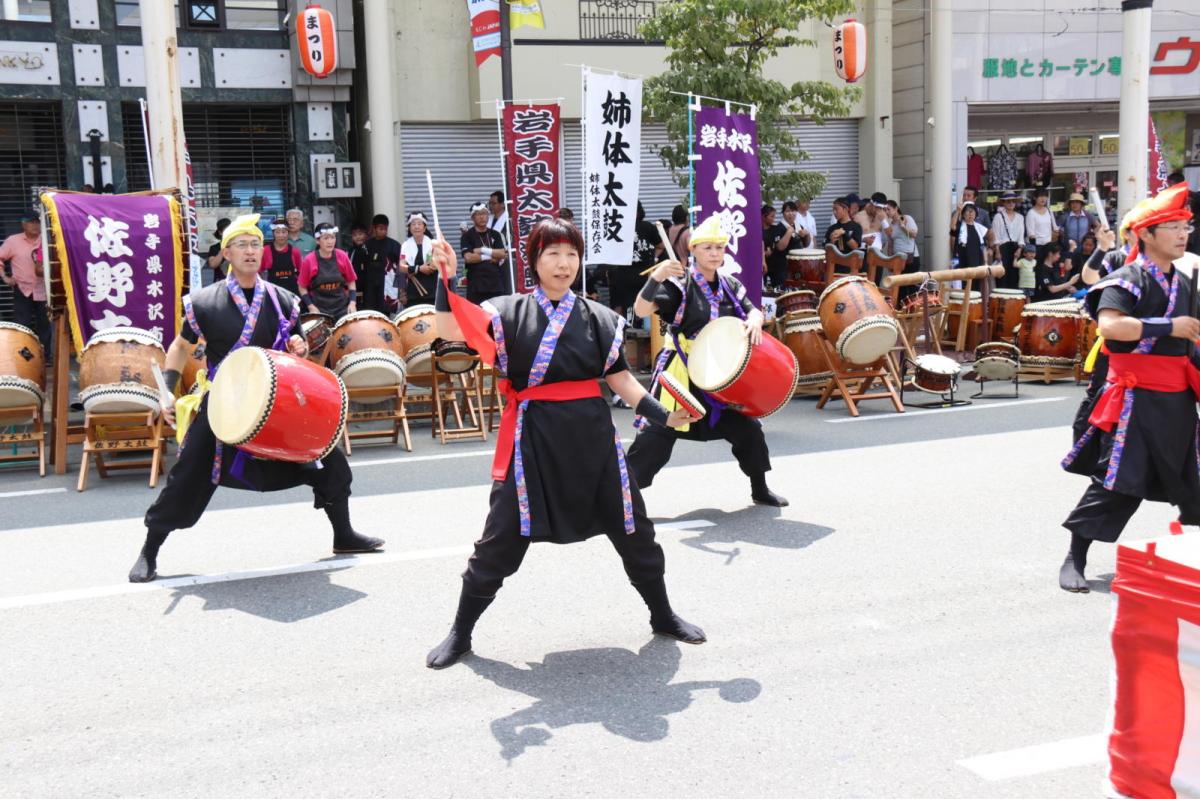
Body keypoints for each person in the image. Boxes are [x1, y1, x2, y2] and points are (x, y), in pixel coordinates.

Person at [424, 217, 705, 669]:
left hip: (594, 442)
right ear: (534, 260)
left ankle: (663, 614)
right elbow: (448, 329)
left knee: (635, 530)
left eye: (571, 254)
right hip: (531, 441)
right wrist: (446, 277)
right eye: (552, 254)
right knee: (499, 541)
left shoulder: (600, 318)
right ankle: (461, 631)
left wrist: (664, 414)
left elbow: (622, 380)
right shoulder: (504, 312)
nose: (563, 264)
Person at [127, 214, 383, 583]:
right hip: (224, 404)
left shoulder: (283, 300)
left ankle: (343, 535)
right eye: (242, 245)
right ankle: (149, 551)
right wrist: (167, 390)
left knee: (329, 460)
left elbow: (299, 357)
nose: (250, 251)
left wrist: (300, 347)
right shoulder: (204, 302)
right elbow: (181, 347)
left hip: (275, 402)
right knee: (186, 478)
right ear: (227, 252)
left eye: (255, 245)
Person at [1058, 183, 1200, 593]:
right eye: (1172, 227)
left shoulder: (1187, 283)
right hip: (1134, 402)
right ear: (1147, 235)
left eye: (1184, 227)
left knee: (1194, 480)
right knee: (1120, 484)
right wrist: (1167, 326)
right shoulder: (1129, 278)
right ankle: (1075, 556)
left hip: (1178, 401)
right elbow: (1110, 326)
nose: (1181, 235)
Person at [625, 213, 787, 508]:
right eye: (707, 248)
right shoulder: (679, 285)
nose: (714, 253)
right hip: (682, 372)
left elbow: (753, 309)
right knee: (655, 438)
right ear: (693, 251)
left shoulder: (730, 286)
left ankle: (760, 488)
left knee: (748, 430)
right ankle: (623, 497)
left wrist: (753, 319)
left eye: (719, 248)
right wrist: (657, 276)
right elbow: (641, 309)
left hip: (719, 374)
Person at [0, 212, 51, 355]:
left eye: (37, 222)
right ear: (23, 224)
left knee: (45, 325)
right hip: (22, 289)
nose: (34, 225)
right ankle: (25, 359)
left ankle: (46, 358)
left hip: (44, 289)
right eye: (31, 222)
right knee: (22, 325)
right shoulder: (13, 241)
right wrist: (5, 277)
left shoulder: (47, 240)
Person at [299, 222, 357, 320]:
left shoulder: (342, 256)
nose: (330, 242)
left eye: (332, 237)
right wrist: (311, 306)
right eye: (325, 238)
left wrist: (352, 303)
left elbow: (351, 281)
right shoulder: (309, 260)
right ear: (317, 241)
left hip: (342, 308)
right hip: (320, 310)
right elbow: (302, 287)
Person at [460, 202, 507, 304]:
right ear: (472, 218)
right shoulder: (467, 236)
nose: (482, 217)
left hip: (495, 284)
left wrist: (482, 250)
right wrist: (489, 256)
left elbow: (503, 254)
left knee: (497, 316)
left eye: (484, 214)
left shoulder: (495, 234)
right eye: (478, 214)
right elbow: (468, 257)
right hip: (476, 285)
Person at [360, 214, 402, 313]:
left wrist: (400, 290)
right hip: (370, 285)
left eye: (385, 228)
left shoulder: (394, 245)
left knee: (387, 312)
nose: (383, 231)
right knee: (371, 313)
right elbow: (363, 267)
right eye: (380, 228)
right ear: (374, 229)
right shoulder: (367, 245)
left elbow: (400, 268)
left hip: (387, 285)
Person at [400, 212, 437, 306]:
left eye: (419, 224)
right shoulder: (405, 246)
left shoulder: (432, 244)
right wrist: (419, 269)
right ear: (409, 228)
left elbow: (431, 267)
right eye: (413, 224)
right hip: (412, 293)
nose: (416, 227)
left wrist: (410, 269)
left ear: (424, 228)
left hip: (432, 291)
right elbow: (401, 267)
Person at [258, 217, 301, 295]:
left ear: (288, 233)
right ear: (273, 233)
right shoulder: (265, 250)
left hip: (292, 293)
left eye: (284, 232)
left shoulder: (295, 251)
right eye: (277, 232)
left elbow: (301, 273)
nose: (281, 235)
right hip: (272, 293)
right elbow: (258, 272)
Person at [991, 192, 1026, 288]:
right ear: (1004, 203)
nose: (1011, 203)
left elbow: (1021, 236)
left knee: (1015, 276)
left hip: (1015, 249)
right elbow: (995, 236)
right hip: (1002, 248)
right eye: (1008, 201)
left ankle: (1013, 301)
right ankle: (1001, 300)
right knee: (1002, 276)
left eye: (1013, 201)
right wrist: (997, 252)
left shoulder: (1020, 217)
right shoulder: (998, 217)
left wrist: (1019, 249)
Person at [762, 204, 796, 291]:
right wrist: (764, 254)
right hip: (763, 265)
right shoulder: (757, 230)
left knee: (779, 288)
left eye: (774, 216)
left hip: (777, 265)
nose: (774, 219)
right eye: (771, 216)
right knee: (763, 289)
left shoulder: (776, 229)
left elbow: (778, 245)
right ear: (763, 216)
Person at [951, 203, 992, 269]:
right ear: (963, 215)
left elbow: (983, 246)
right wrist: (958, 211)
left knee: (976, 278)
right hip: (962, 261)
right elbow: (953, 227)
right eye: (967, 211)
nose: (970, 214)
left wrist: (986, 262)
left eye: (972, 212)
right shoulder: (960, 226)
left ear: (976, 214)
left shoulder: (979, 228)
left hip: (977, 261)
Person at [1025, 189, 1059, 261]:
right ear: (1035, 198)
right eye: (1040, 196)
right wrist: (1033, 252)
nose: (1043, 199)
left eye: (1045, 196)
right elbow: (1031, 234)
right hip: (1037, 247)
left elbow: (1055, 228)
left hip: (1049, 246)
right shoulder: (1031, 213)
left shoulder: (1049, 211)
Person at [205, 218, 231, 284]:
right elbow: (213, 264)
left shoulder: (237, 245)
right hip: (220, 282)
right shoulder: (214, 248)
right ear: (220, 232)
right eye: (227, 231)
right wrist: (223, 250)